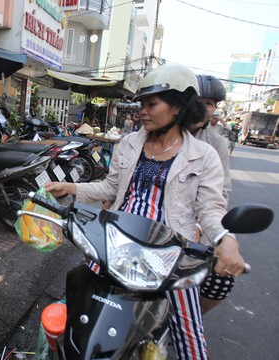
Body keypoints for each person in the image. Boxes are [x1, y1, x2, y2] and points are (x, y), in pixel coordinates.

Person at [45, 64, 244, 360]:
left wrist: (225, 239)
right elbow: (111, 188)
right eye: (141, 104)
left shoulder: (204, 156)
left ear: (177, 107)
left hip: (169, 255)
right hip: (117, 243)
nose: (143, 111)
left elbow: (211, 209)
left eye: (152, 104)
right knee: (78, 309)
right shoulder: (129, 143)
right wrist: (71, 189)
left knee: (190, 338)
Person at [188, 74, 232, 203]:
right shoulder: (159, 132)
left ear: (214, 109)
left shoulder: (215, 143)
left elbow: (222, 190)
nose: (201, 108)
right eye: (197, 101)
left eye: (208, 103)